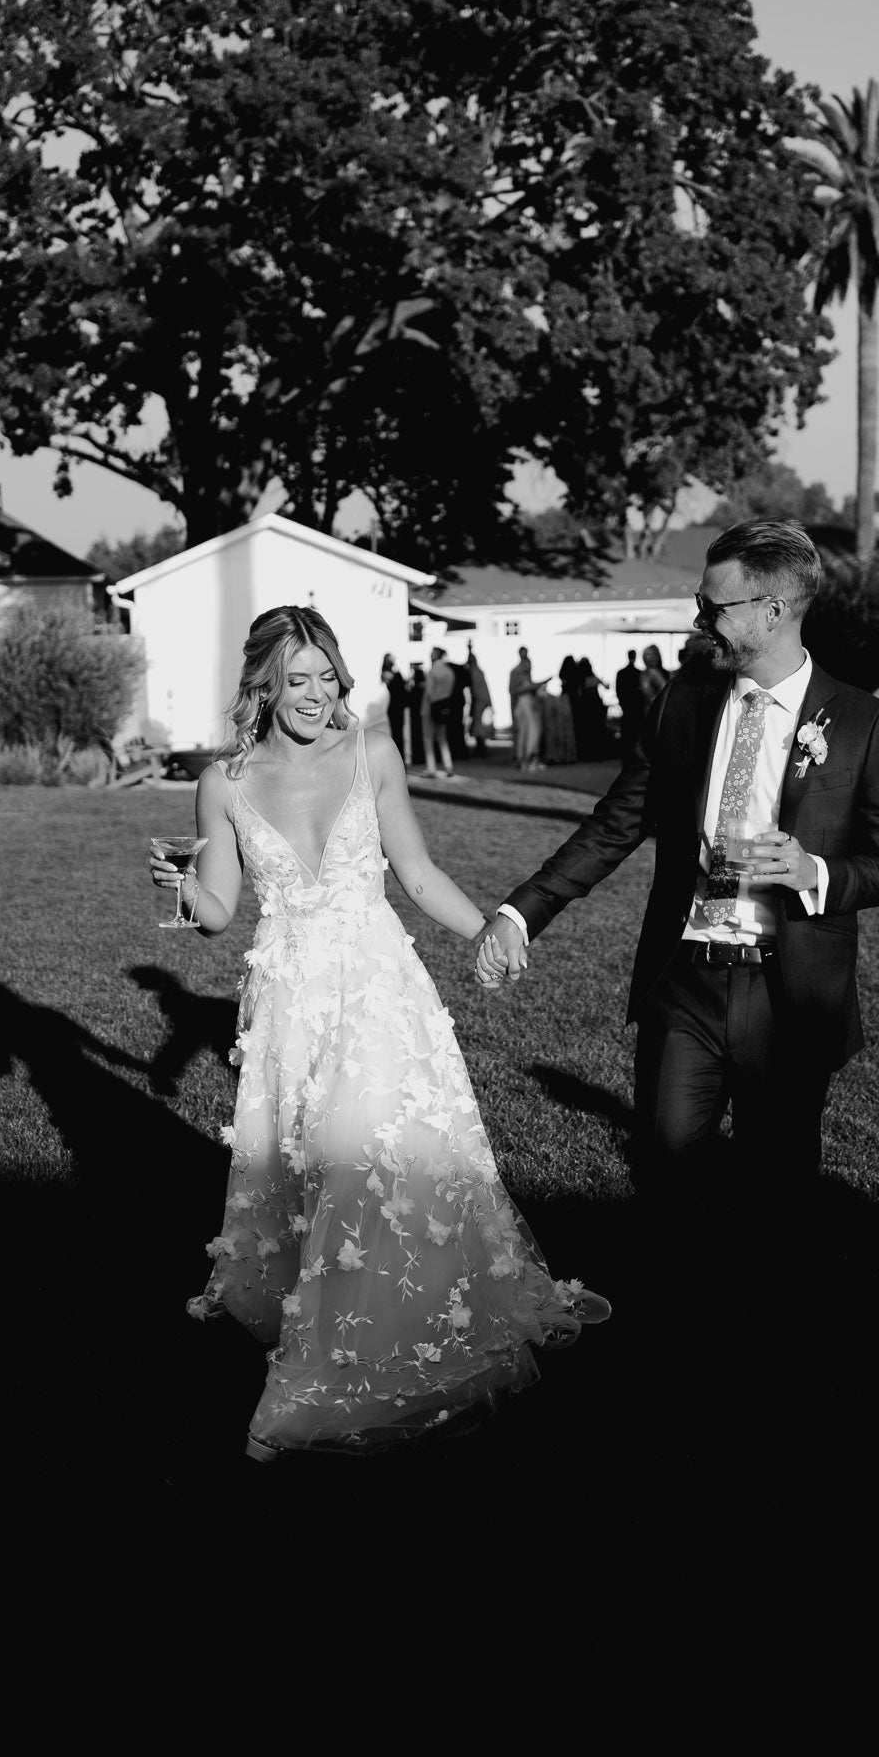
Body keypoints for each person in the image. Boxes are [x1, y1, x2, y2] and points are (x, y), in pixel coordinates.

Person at [150, 605, 609, 1459]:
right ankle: (329, 1311)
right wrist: (180, 888)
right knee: (312, 1166)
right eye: (296, 680)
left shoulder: (373, 754)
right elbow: (216, 912)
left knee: (375, 1161)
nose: (315, 695)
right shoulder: (225, 782)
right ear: (262, 686)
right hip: (289, 1005)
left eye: (326, 676)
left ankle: (371, 1345)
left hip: (379, 990)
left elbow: (419, 872)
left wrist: (487, 933)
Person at [474, 519, 879, 1232]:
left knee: (778, 1201)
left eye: (714, 605)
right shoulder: (682, 703)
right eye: (699, 601)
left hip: (790, 996)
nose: (699, 617)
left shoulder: (865, 723)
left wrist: (813, 871)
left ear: (772, 611)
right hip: (685, 985)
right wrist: (520, 912)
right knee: (664, 1178)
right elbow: (614, 826)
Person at [422, 647, 458, 778]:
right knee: (442, 738)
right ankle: (448, 766)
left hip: (430, 707)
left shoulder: (433, 671)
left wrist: (434, 703)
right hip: (444, 707)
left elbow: (429, 692)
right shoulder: (449, 672)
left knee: (428, 738)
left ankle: (431, 768)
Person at [509, 648, 546, 771]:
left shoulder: (526, 674)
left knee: (531, 731)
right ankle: (525, 757)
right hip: (523, 706)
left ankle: (528, 756)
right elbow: (514, 691)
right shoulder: (515, 672)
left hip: (529, 704)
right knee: (526, 731)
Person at [615, 651, 645, 756]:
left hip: (627, 706)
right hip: (636, 707)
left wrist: (622, 703)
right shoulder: (639, 673)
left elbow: (618, 690)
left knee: (627, 732)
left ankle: (627, 754)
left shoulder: (621, 673)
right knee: (635, 731)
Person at [466, 647, 494, 755]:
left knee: (479, 727)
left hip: (480, 703)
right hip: (481, 702)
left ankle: (481, 748)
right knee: (479, 726)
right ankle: (480, 747)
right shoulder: (478, 671)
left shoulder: (475, 673)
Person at [381, 653, 408, 755]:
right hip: (394, 707)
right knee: (397, 733)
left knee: (399, 733)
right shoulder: (387, 673)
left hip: (399, 706)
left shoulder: (393, 671)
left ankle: (401, 756)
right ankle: (398, 756)